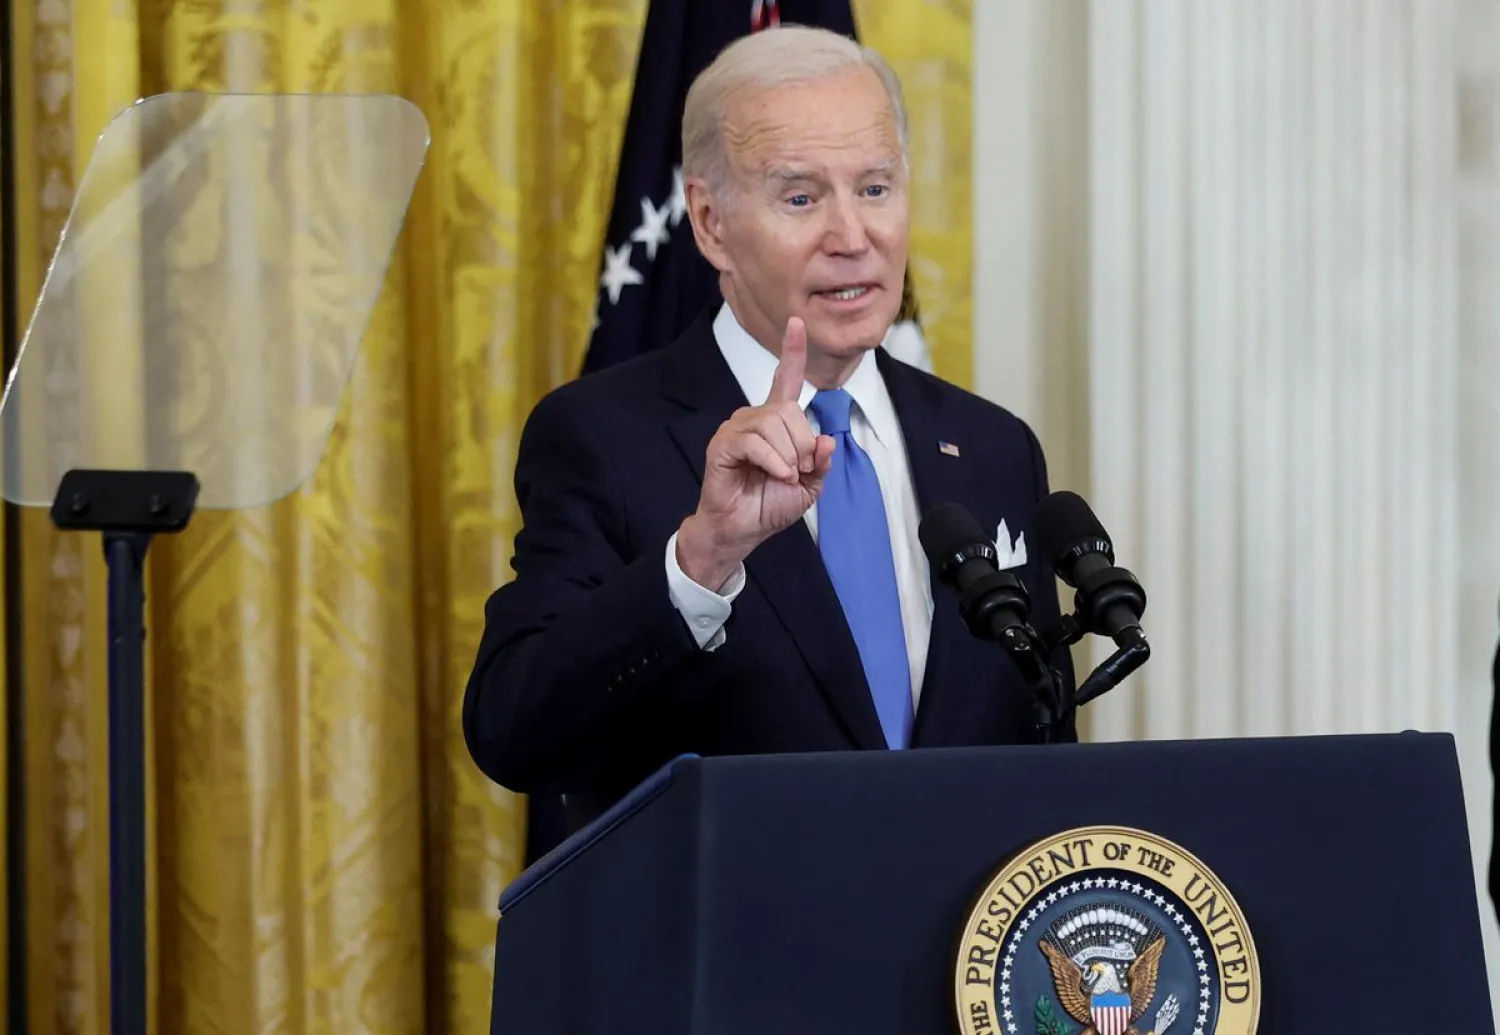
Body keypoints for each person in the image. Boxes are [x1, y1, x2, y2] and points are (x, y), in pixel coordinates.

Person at [463, 25, 1076, 831]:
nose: (852, 237)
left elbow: (1044, 750)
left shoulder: (993, 447)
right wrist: (701, 560)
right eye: (801, 198)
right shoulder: (603, 438)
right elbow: (514, 729)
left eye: (875, 188)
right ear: (710, 222)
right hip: (734, 912)